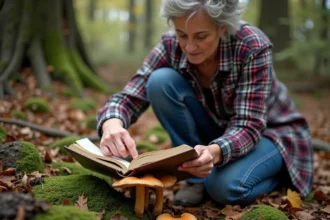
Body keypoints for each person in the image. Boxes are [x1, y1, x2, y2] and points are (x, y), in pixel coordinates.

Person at [97, 0, 314, 207]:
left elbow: (250, 124)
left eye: (201, 36)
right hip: (218, 132)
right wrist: (112, 124)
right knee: (160, 81)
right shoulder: (170, 45)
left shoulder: (252, 46)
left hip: (271, 133)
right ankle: (196, 178)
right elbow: (131, 94)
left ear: (222, 28)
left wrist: (216, 151)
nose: (190, 47)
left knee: (223, 188)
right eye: (182, 34)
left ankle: (279, 173)